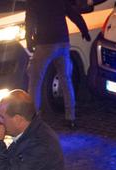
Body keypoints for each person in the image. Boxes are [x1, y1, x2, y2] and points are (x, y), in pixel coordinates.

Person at [25, 0, 90, 129]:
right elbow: (72, 13)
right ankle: (71, 117)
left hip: (44, 43)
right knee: (66, 80)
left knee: (35, 81)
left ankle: (33, 119)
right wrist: (84, 30)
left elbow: (30, 20)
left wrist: (29, 40)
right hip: (62, 42)